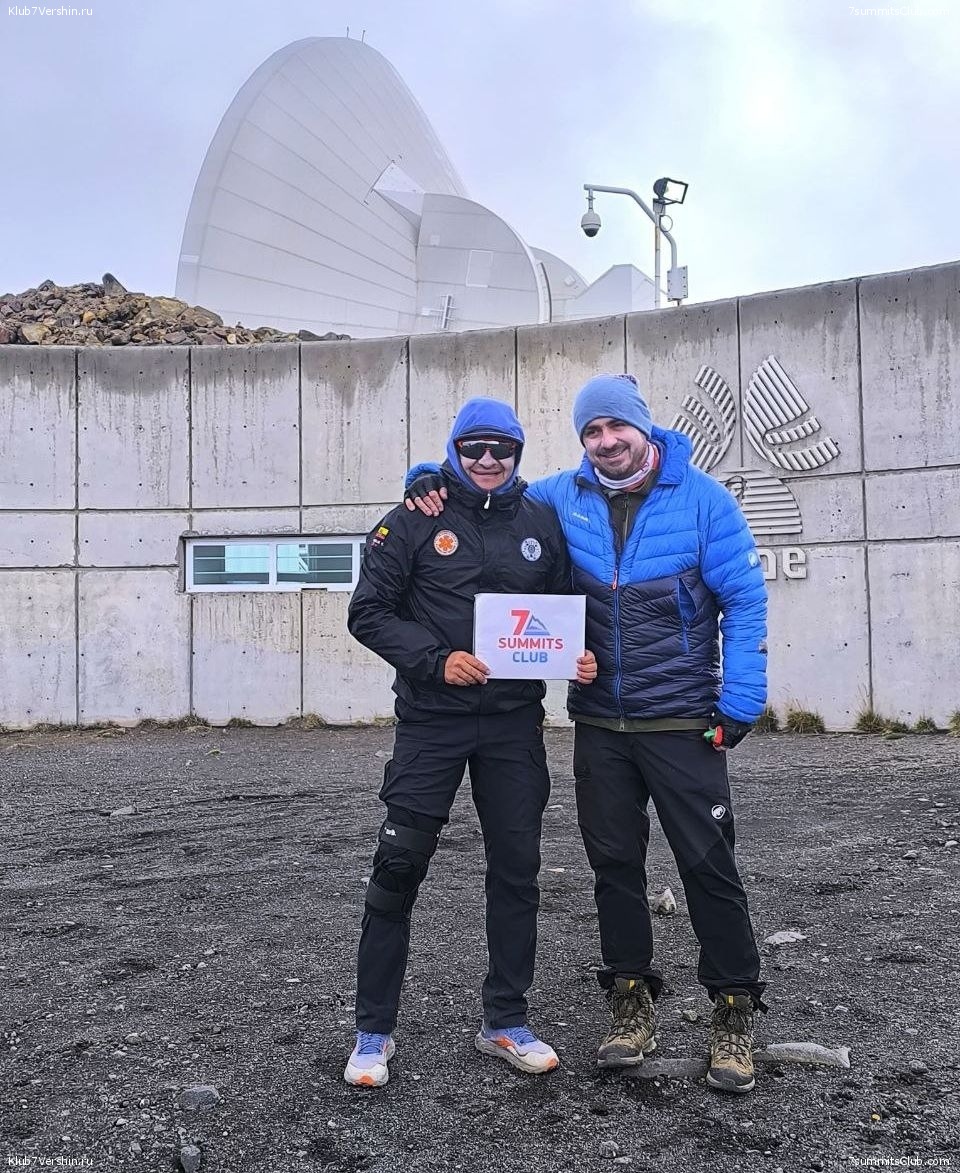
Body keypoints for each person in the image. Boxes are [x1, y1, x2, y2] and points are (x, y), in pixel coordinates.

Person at [404, 373, 768, 1094]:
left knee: (708, 865)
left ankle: (732, 1009)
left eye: (615, 427)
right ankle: (629, 1002)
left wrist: (741, 699)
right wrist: (429, 479)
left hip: (682, 719)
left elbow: (745, 598)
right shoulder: (558, 497)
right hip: (599, 720)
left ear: (643, 428)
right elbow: (490, 491)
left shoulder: (704, 500)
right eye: (591, 432)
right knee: (614, 866)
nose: (605, 442)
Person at [344, 396, 598, 1088]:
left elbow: (560, 610)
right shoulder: (413, 518)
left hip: (514, 724)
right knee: (398, 867)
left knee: (517, 869)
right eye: (474, 447)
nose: (488, 459)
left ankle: (506, 1020)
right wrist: (435, 660)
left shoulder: (539, 521)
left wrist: (577, 656)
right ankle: (373, 1032)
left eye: (502, 448)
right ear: (454, 450)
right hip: (431, 721)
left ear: (518, 453)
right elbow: (368, 613)